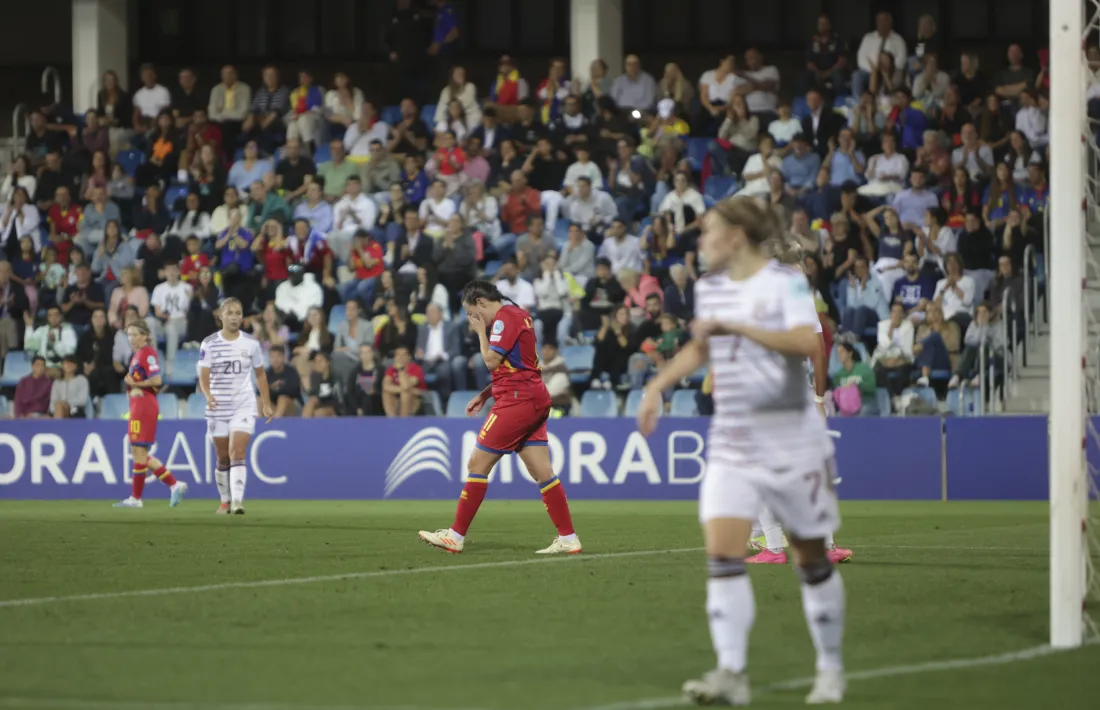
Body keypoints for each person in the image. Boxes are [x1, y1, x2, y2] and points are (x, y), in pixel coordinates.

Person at [635, 197, 846, 705]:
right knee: (722, 557)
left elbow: (807, 342)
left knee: (812, 559)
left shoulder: (784, 282)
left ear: (735, 236)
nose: (700, 241)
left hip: (791, 437)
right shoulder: (708, 288)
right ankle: (731, 672)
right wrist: (658, 385)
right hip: (732, 439)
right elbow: (704, 346)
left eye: (708, 232)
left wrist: (740, 328)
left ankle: (830, 667)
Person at [418, 280, 581, 556]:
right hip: (532, 396)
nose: (473, 320)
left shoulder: (504, 318)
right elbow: (517, 367)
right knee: (542, 471)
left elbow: (492, 361)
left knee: (477, 463)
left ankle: (455, 535)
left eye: (473, 313)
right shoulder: (520, 314)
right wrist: (485, 394)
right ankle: (568, 537)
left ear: (481, 303)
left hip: (517, 401)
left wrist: (482, 332)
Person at [198, 298, 274, 515]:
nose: (234, 317)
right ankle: (225, 500)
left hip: (244, 404)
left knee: (237, 451)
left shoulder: (251, 343)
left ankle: (238, 502)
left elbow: (260, 374)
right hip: (217, 406)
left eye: (238, 313)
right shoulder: (209, 343)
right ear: (221, 315)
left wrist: (266, 404)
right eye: (230, 313)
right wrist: (208, 395)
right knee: (222, 456)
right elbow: (203, 374)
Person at [113, 320, 189, 509]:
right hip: (138, 406)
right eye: (129, 335)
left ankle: (138, 498)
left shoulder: (148, 353)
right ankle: (172, 484)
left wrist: (135, 384)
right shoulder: (137, 355)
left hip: (144, 407)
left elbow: (156, 380)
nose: (131, 338)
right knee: (139, 453)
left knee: (139, 452)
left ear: (145, 335)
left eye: (135, 334)